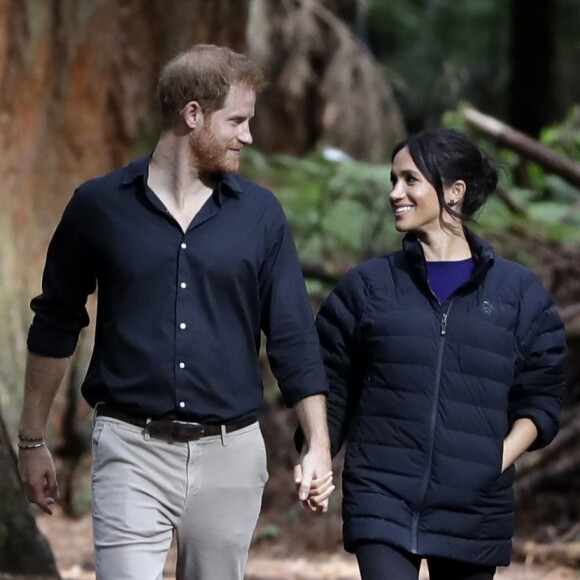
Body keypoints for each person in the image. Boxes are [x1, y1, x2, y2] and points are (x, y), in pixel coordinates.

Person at [17, 44, 334, 580]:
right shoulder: (98, 206)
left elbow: (293, 337)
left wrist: (319, 446)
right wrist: (31, 440)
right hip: (129, 447)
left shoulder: (260, 216)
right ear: (193, 115)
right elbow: (54, 324)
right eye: (237, 121)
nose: (248, 136)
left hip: (231, 455)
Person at [314, 128, 567, 579]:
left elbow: (541, 397)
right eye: (393, 180)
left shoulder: (517, 292)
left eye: (410, 180)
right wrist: (318, 452)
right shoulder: (369, 286)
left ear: (454, 192)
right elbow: (330, 380)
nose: (396, 193)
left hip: (474, 507)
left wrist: (496, 459)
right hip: (381, 496)